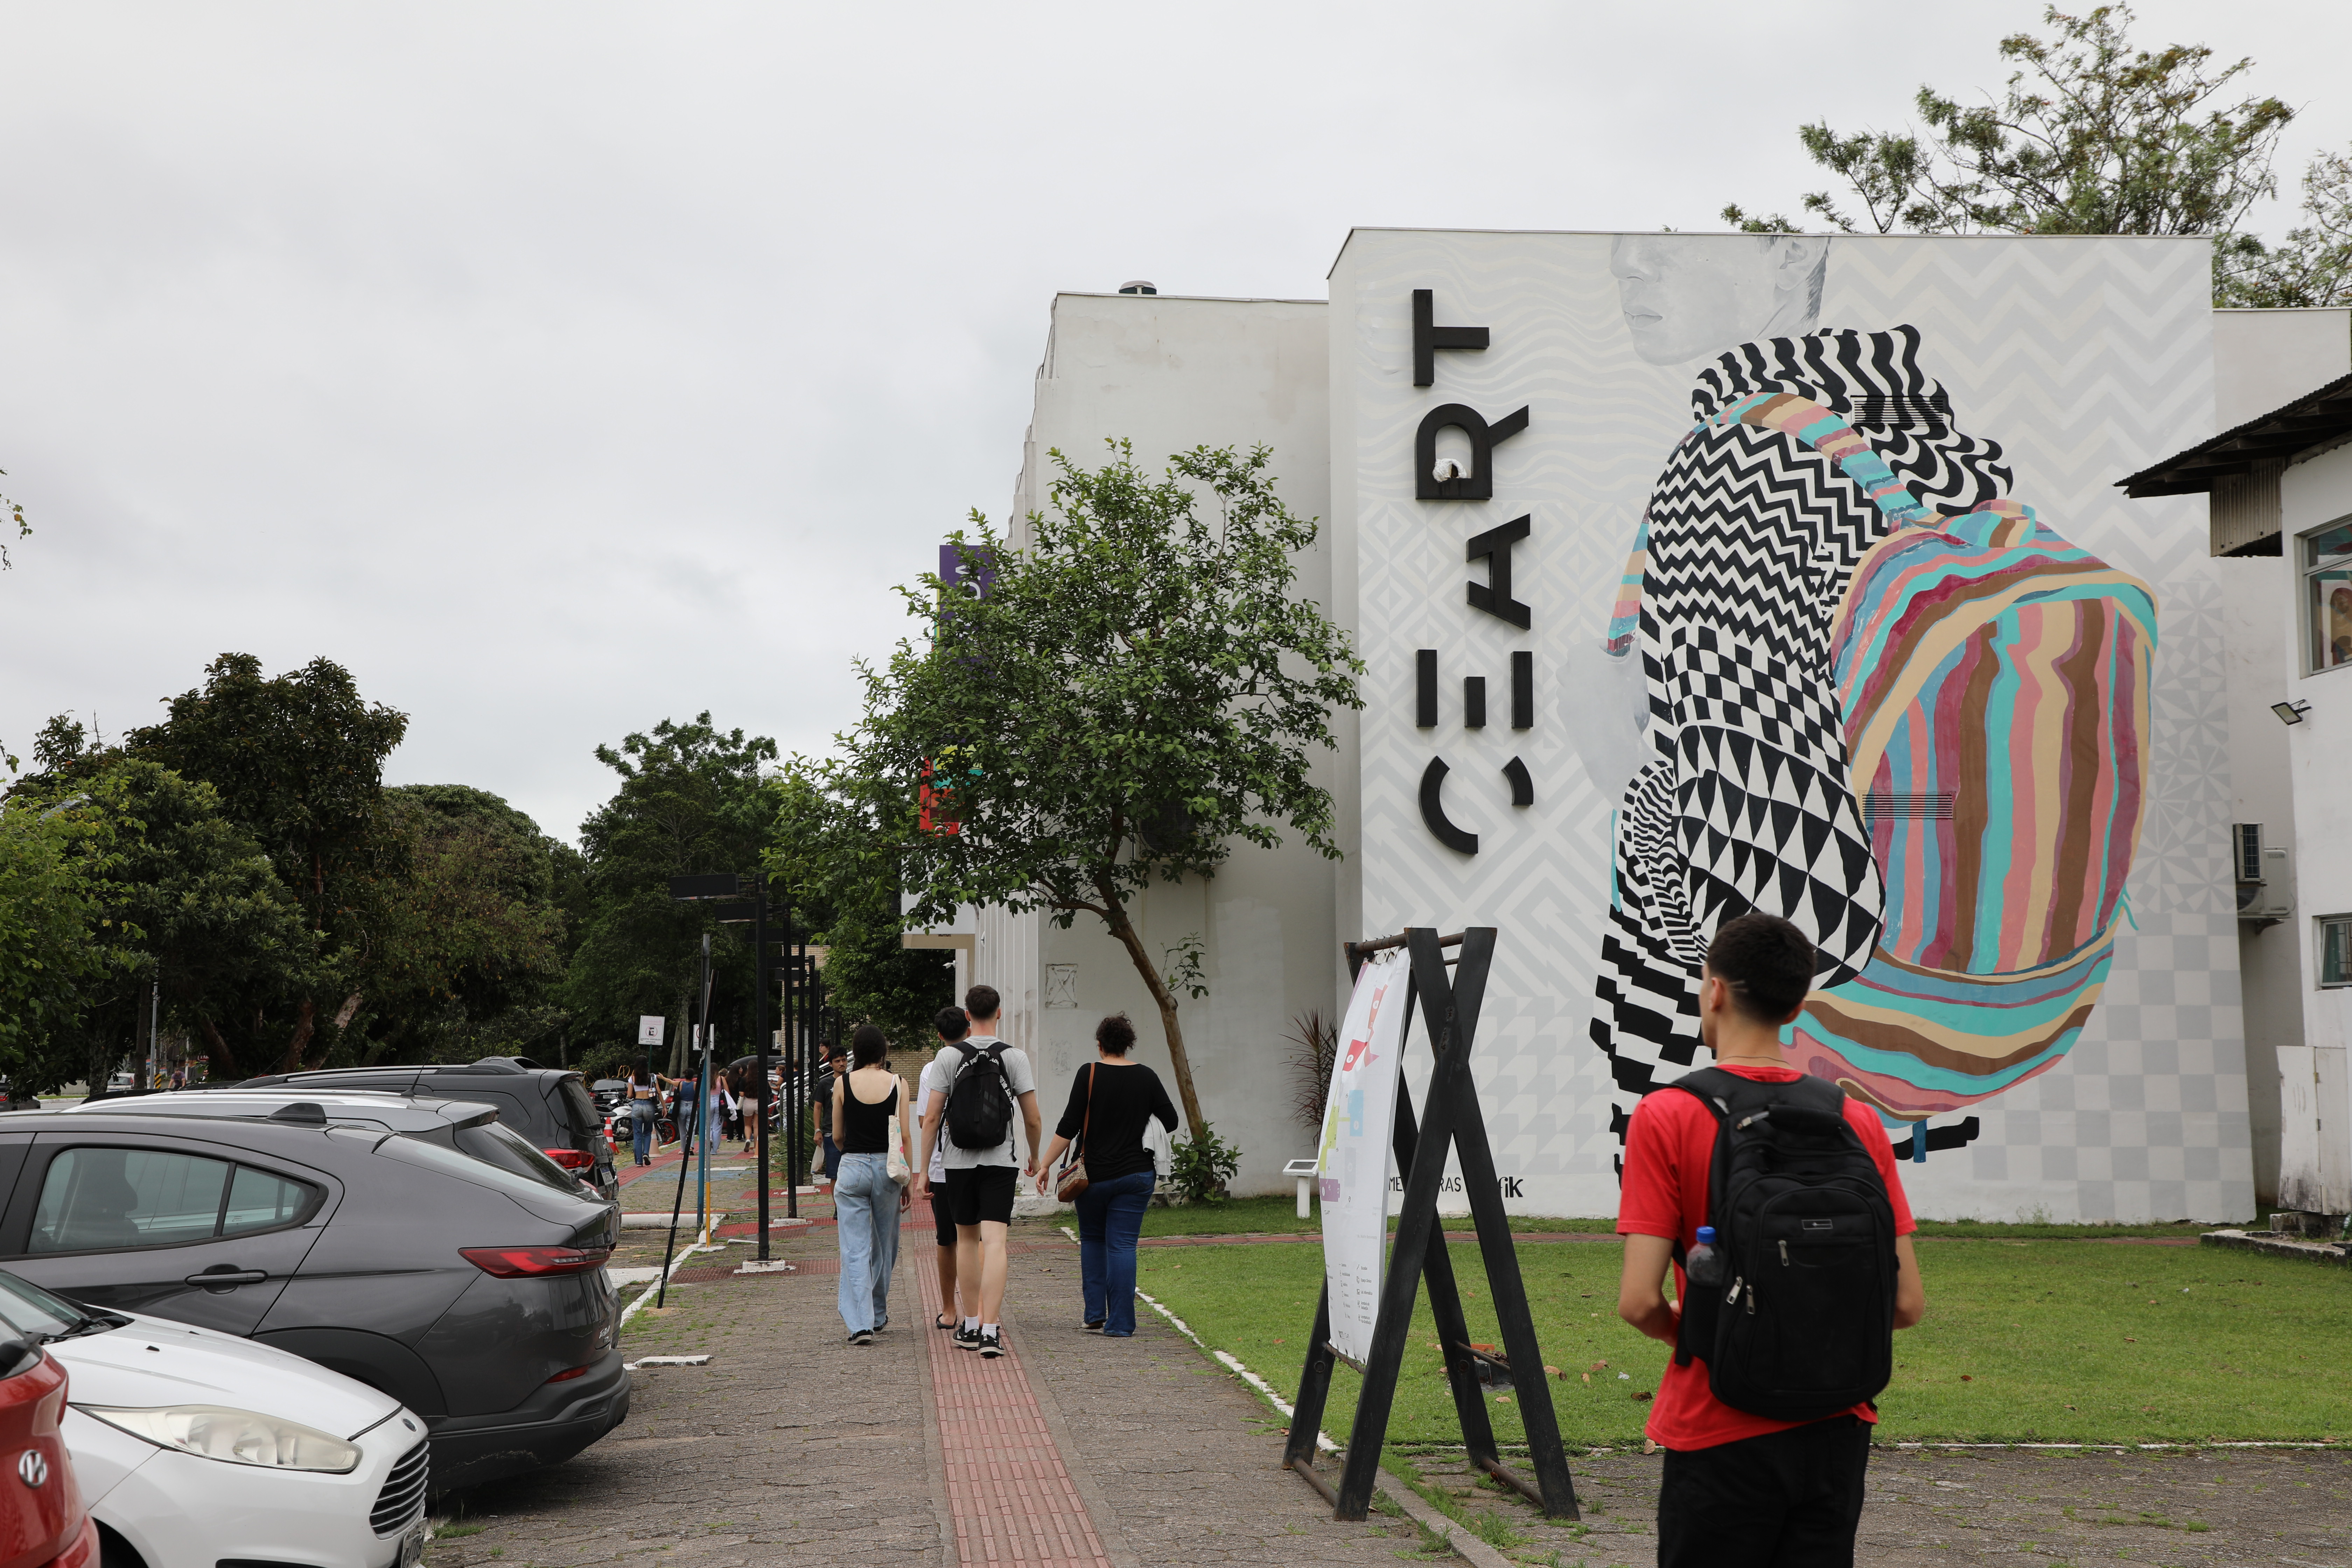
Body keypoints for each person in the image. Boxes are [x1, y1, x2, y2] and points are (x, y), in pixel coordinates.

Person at [1616, 912, 1925, 1567]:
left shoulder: (1667, 1115)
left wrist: (1720, 1333)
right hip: (1836, 1428)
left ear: (1716, 992)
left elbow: (1640, 1301)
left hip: (1715, 1424)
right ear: (1797, 1002)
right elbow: (1905, 1305)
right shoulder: (1857, 1120)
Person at [914, 984, 1040, 1360]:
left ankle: (969, 1323)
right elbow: (1032, 1117)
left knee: (966, 1241)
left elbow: (932, 1117)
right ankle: (990, 1330)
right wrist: (1035, 1156)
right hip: (1002, 1162)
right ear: (998, 1013)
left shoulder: (947, 1056)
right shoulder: (1015, 1057)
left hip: (958, 1163)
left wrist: (923, 1171)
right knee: (996, 1242)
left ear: (968, 1017)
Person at [1034, 1013, 1176, 1337]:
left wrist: (1045, 1165)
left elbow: (1069, 1126)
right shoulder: (1147, 1077)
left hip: (1093, 1177)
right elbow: (1171, 1120)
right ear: (1128, 1045)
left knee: (1094, 1241)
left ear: (1100, 1046)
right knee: (1123, 1246)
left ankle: (1095, 1315)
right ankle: (1122, 1324)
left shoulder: (1090, 1073)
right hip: (1137, 1175)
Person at [832, 1023, 912, 1345]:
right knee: (885, 1244)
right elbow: (905, 1136)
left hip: (852, 1166)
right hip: (888, 1168)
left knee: (854, 1247)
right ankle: (878, 1313)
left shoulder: (842, 1083)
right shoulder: (899, 1083)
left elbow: (837, 1135)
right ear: (882, 1052)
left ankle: (860, 1324)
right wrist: (909, 1177)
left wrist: (851, 1155)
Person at [917, 1006, 976, 1332]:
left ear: (939, 1035)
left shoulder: (932, 1069)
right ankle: (979, 1310)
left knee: (947, 1239)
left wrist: (922, 1171)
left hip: (944, 1167)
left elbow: (928, 1120)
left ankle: (950, 1310)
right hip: (983, 1163)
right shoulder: (990, 1060)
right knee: (976, 1238)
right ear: (968, 1028)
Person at [817, 1040, 848, 1191]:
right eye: (837, 1061)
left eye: (844, 1060)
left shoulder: (853, 1080)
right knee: (834, 1174)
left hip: (851, 1133)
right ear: (831, 1064)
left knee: (851, 1172)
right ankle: (838, 1208)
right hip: (830, 1133)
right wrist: (817, 1130)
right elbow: (818, 1107)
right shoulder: (825, 1084)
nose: (841, 1064)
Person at [621, 1058, 663, 1166]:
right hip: (649, 1105)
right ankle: (646, 1153)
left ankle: (639, 1161)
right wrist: (664, 1107)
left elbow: (630, 1096)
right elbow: (658, 1091)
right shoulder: (652, 1077)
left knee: (638, 1134)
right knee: (648, 1132)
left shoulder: (632, 1078)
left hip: (637, 1106)